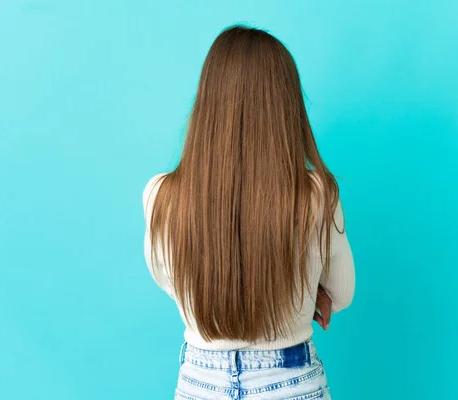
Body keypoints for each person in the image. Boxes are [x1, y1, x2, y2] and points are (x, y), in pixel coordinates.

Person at [143, 25, 355, 400]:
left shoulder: (161, 194)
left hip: (200, 382)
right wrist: (307, 290)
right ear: (287, 107)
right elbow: (342, 292)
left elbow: (173, 281)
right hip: (290, 381)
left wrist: (217, 290)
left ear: (207, 101)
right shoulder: (317, 194)